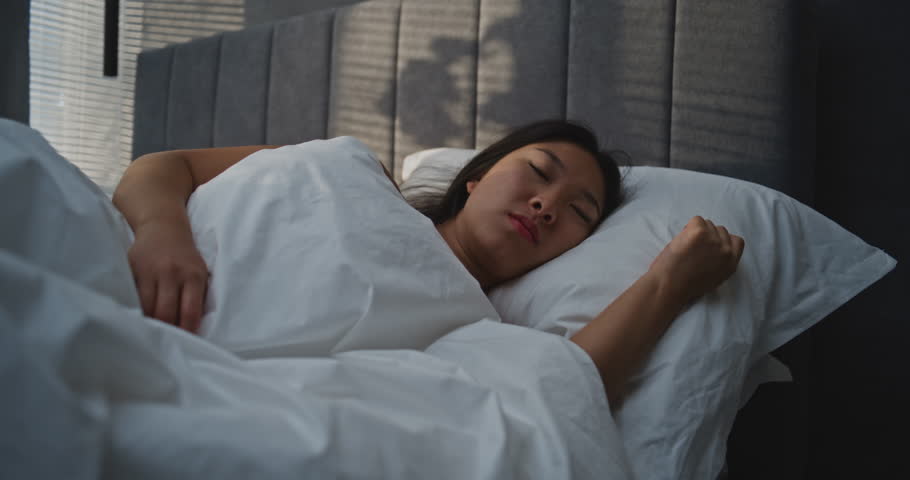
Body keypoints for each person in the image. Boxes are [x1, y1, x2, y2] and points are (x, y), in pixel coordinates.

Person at [112, 119, 744, 404]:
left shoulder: (473, 326)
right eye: (538, 170)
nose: (546, 204)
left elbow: (565, 391)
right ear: (476, 177)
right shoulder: (352, 166)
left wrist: (670, 280)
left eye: (579, 211)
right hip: (125, 270)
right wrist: (164, 232)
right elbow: (167, 167)